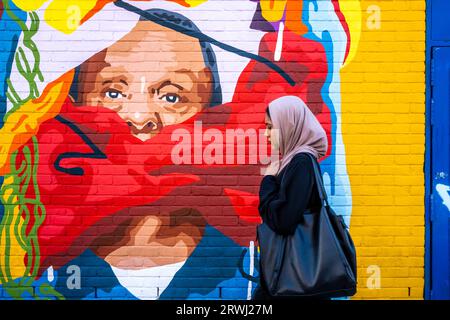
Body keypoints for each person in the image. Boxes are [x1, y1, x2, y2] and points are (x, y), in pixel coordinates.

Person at [252, 96, 328, 300]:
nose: (267, 135)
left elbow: (283, 221)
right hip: (295, 274)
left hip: (294, 276)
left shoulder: (301, 162)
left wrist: (268, 180)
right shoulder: (294, 161)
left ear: (288, 125)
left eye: (270, 127)